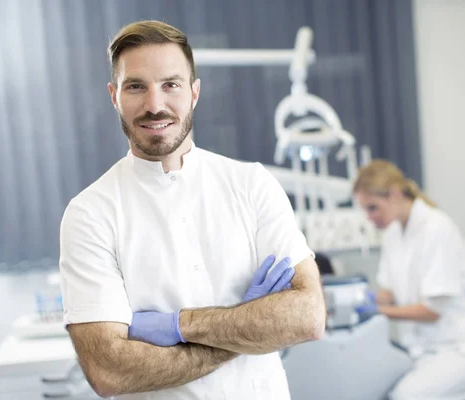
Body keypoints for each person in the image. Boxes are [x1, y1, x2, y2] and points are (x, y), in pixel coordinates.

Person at [58, 20, 326, 400]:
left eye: (171, 84)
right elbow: (109, 371)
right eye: (136, 86)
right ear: (114, 96)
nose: (155, 105)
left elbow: (307, 316)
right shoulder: (89, 214)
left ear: (194, 92)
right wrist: (247, 325)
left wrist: (178, 325)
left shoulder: (251, 184)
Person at [352, 160, 465, 400]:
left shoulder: (436, 227)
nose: (369, 217)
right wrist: (359, 298)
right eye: (365, 210)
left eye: (373, 207)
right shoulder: (393, 232)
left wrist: (378, 311)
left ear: (394, 195)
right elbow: (389, 292)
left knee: (405, 396)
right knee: (376, 386)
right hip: (430, 347)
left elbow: (432, 311)